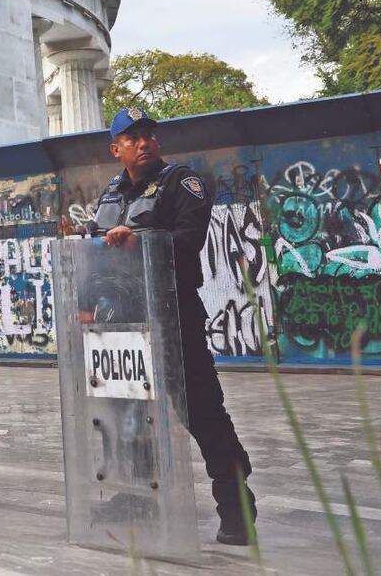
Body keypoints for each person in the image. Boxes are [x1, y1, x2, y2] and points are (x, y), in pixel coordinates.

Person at [89, 107, 257, 545]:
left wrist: (140, 240)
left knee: (200, 410)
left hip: (173, 313)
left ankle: (236, 506)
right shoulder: (110, 194)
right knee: (127, 414)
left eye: (149, 135)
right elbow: (93, 250)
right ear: (116, 149)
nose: (143, 143)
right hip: (124, 320)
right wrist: (86, 303)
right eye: (132, 138)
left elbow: (189, 239)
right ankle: (135, 496)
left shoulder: (182, 182)